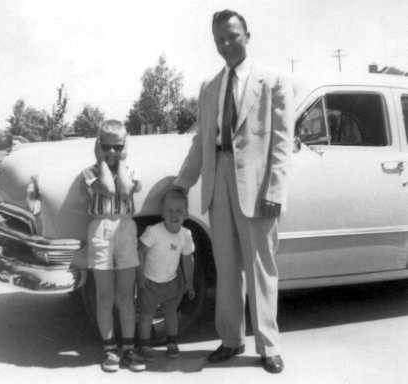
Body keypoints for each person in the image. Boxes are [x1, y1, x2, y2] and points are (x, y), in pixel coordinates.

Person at [174, 9, 293, 373]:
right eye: (219, 39)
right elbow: (200, 144)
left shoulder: (272, 80)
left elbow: (283, 142)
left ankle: (268, 346)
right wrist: (182, 184)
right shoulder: (210, 87)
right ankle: (230, 339)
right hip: (218, 184)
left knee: (260, 269)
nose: (226, 44)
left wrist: (275, 189)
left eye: (232, 36)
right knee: (226, 269)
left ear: (247, 35)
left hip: (257, 189)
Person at [82, 120, 145, 372]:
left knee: (125, 296)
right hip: (100, 230)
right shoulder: (89, 172)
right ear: (98, 145)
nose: (111, 152)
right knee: (105, 296)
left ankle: (128, 348)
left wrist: (121, 161)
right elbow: (108, 189)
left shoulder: (131, 171)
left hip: (125, 229)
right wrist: (102, 161)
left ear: (125, 146)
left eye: (117, 147)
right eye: (106, 147)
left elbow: (125, 189)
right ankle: (109, 349)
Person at [136, 188, 195, 362]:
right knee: (147, 314)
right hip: (150, 283)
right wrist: (140, 277)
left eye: (179, 211)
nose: (174, 214)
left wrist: (189, 283)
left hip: (172, 283)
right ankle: (144, 345)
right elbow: (140, 253)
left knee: (171, 314)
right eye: (169, 210)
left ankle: (172, 343)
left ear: (186, 213)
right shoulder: (153, 231)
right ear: (162, 213)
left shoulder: (186, 234)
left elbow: (188, 260)